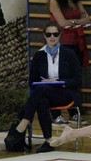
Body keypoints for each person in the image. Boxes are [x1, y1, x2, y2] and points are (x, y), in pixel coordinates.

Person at [5, 23, 82, 153]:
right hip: (46, 94)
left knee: (41, 91)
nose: (52, 37)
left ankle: (24, 121)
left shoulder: (69, 54)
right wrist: (45, 84)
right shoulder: (39, 56)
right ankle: (48, 140)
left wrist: (59, 81)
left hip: (65, 92)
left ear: (60, 36)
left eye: (55, 34)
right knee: (41, 99)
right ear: (44, 36)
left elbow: (77, 80)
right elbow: (32, 81)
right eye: (48, 34)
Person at [49, 0, 91, 67]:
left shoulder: (76, 0)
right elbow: (63, 23)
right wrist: (79, 22)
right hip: (63, 42)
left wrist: (73, 22)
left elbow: (88, 20)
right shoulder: (54, 1)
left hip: (77, 41)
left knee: (78, 73)